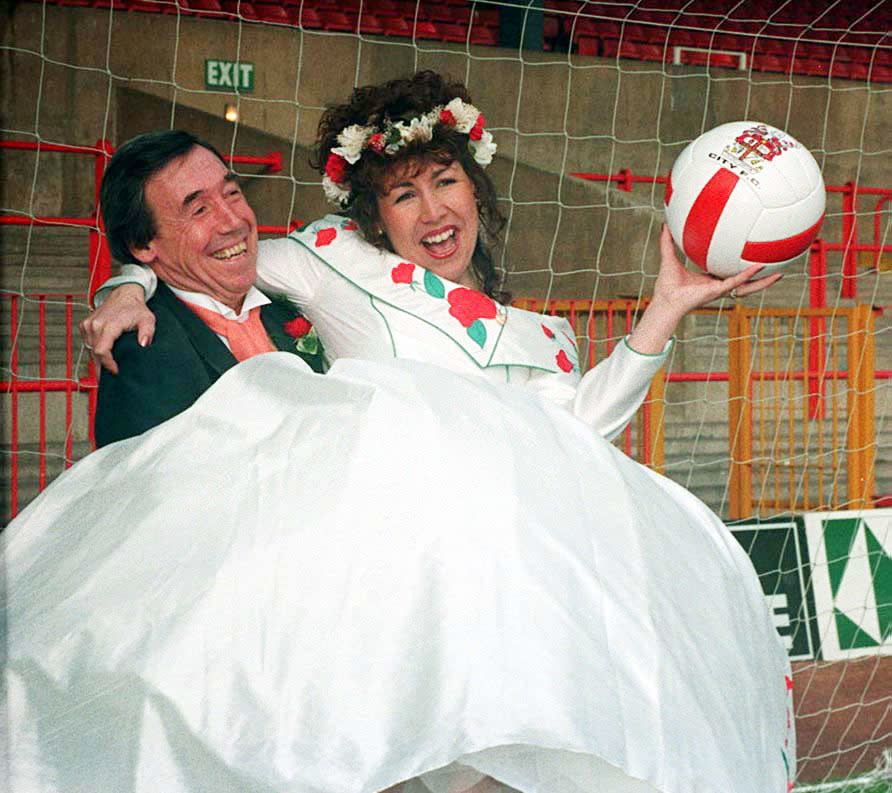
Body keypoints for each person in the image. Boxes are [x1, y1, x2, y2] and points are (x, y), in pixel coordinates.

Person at [8, 72, 793, 793]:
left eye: (446, 182)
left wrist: (664, 308)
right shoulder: (334, 263)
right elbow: (208, 254)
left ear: (477, 189)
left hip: (487, 604)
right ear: (373, 217)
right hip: (359, 603)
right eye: (403, 195)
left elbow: (579, 437)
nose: (434, 211)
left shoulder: (546, 336)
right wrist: (125, 282)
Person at [90, 130, 324, 446]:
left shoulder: (286, 307)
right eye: (200, 209)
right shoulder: (145, 349)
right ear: (143, 244)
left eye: (231, 193)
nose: (233, 222)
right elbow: (149, 487)